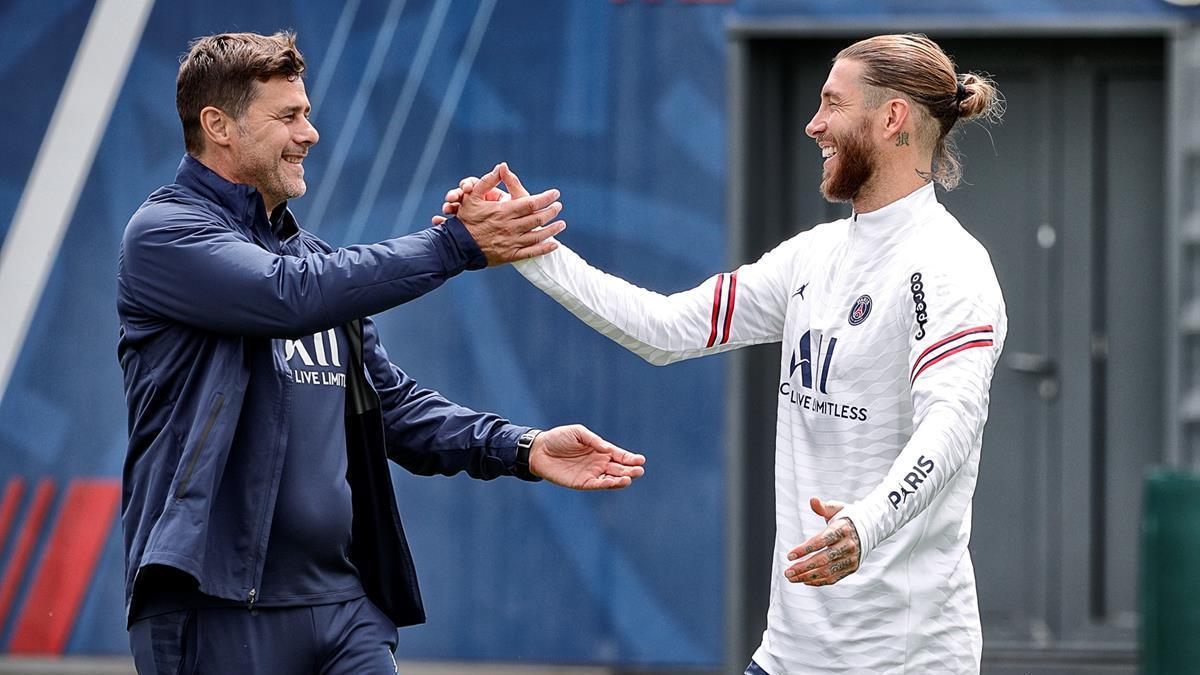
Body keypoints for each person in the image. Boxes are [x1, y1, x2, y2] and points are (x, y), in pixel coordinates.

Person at [442, 33, 1006, 674]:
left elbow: (951, 424)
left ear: (892, 118)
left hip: (903, 662)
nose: (812, 124)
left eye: (832, 103)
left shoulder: (949, 266)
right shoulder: (812, 257)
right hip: (788, 657)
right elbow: (662, 329)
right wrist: (531, 247)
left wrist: (866, 525)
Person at [117, 31, 645, 675]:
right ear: (218, 125)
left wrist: (523, 448)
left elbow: (393, 408)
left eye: (306, 113)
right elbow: (288, 298)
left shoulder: (312, 261)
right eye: (288, 116)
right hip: (215, 610)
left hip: (343, 610)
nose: (309, 133)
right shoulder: (164, 235)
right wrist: (453, 246)